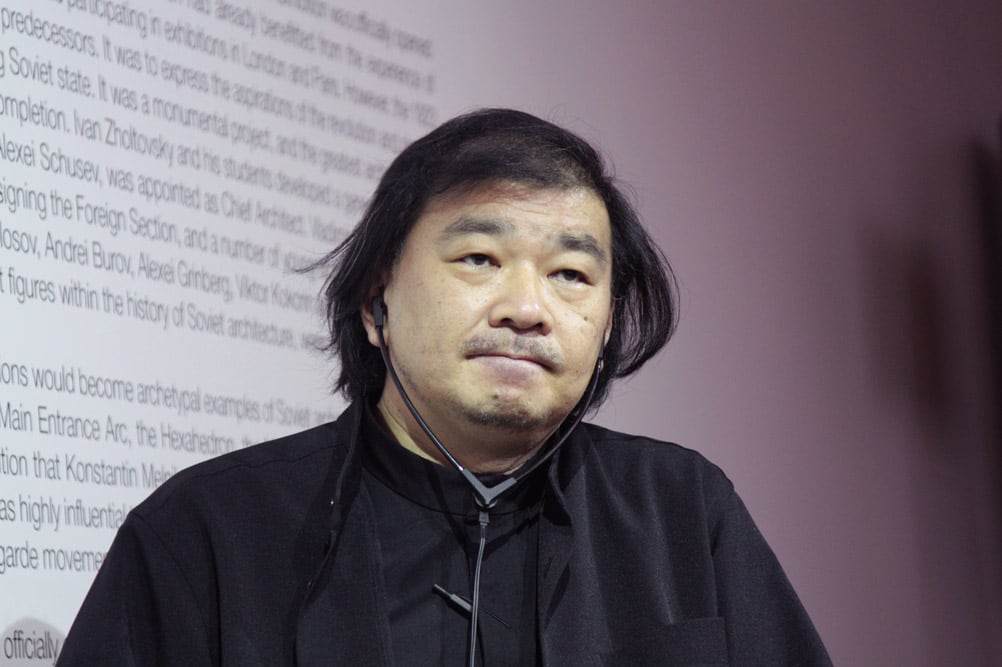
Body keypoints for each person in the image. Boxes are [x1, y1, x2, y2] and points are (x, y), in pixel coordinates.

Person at [58, 108, 831, 666]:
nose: (527, 309)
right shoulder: (207, 528)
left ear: (605, 323)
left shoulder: (683, 509)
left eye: (570, 274)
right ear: (377, 298)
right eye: (479, 260)